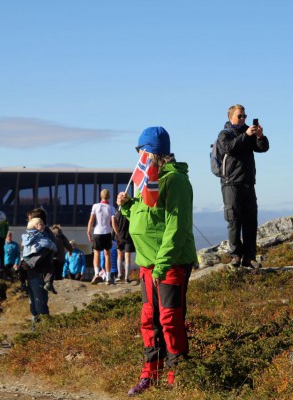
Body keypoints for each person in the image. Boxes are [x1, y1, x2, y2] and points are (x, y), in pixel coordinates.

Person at [117, 126, 196, 396]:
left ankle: (178, 374)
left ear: (149, 152)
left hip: (170, 262)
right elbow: (146, 218)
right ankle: (151, 373)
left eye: (140, 151)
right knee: (149, 319)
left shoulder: (175, 182)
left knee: (170, 318)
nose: (138, 157)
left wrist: (162, 264)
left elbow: (176, 227)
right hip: (148, 264)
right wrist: (128, 206)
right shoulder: (147, 180)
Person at [216, 104, 269, 268]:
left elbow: (263, 148)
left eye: (244, 116)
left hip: (248, 182)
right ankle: (236, 255)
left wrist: (260, 136)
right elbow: (229, 148)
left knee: (250, 220)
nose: (243, 119)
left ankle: (250, 256)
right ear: (230, 117)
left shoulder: (248, 132)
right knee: (234, 220)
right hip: (230, 182)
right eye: (240, 116)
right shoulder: (225, 134)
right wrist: (246, 135)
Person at [16, 213, 56, 328]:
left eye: (42, 223)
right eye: (39, 224)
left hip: (39, 275)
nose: (42, 225)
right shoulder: (28, 238)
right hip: (30, 275)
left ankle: (44, 330)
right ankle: (37, 330)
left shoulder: (45, 239)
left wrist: (29, 263)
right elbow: (24, 254)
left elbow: (47, 253)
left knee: (39, 305)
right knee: (33, 305)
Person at [87, 189, 120, 284]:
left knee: (96, 254)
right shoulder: (111, 208)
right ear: (109, 197)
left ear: (100, 196)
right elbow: (114, 223)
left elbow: (91, 220)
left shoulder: (95, 206)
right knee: (107, 254)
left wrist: (88, 232)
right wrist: (118, 236)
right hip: (107, 232)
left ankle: (97, 274)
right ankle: (108, 277)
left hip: (97, 232)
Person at [21, 217, 57, 292]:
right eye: (41, 224)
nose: (43, 225)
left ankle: (23, 283)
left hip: (29, 257)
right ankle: (49, 282)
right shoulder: (38, 235)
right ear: (35, 226)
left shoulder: (27, 235)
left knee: (49, 263)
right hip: (33, 257)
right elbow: (48, 244)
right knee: (47, 252)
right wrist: (54, 247)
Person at [114, 209, 135, 283]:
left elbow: (114, 225)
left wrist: (113, 236)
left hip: (120, 236)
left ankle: (120, 275)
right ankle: (127, 277)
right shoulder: (131, 212)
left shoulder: (117, 213)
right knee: (127, 257)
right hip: (129, 237)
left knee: (119, 255)